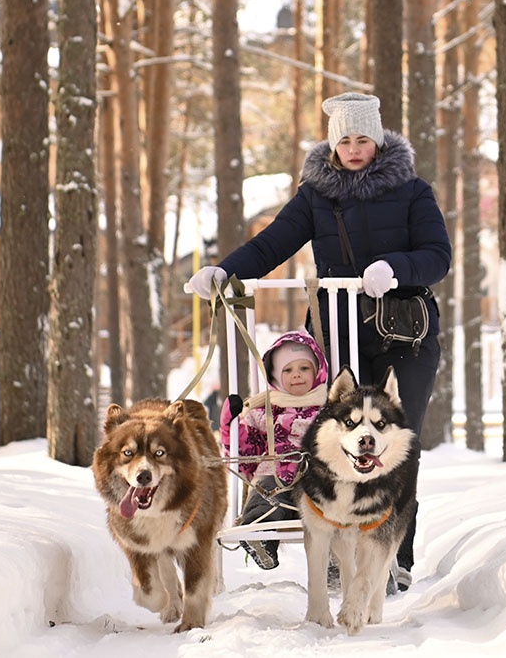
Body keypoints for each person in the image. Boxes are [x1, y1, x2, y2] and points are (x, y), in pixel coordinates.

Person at [190, 92, 452, 590]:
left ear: (378, 141)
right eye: (344, 140)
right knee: (340, 441)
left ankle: (391, 558)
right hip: (338, 335)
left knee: (395, 444)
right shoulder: (317, 195)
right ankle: (339, 551)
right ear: (333, 145)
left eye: (363, 140)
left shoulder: (413, 191)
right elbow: (271, 244)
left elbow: (438, 255)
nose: (354, 149)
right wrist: (225, 271)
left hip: (404, 338)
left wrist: (395, 268)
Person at [220, 330, 328, 570]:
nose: (296, 375)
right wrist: (231, 425)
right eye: (287, 370)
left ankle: (333, 560)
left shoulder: (330, 409)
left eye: (304, 368)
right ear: (276, 377)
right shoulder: (265, 412)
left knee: (334, 502)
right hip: (275, 477)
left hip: (316, 481)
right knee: (263, 495)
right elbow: (246, 453)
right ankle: (260, 537)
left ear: (318, 371)